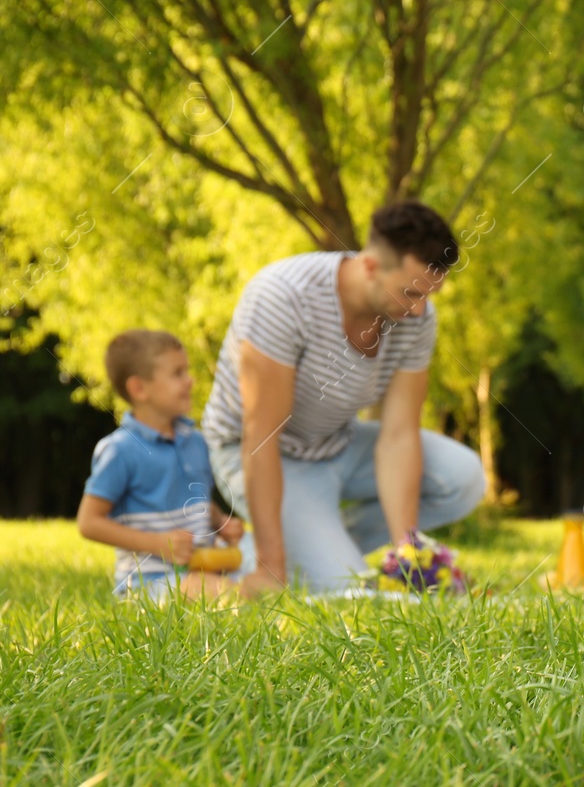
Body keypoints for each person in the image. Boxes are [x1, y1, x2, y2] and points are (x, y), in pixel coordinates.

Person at [201, 201, 485, 595]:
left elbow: (400, 435)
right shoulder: (283, 298)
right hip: (264, 453)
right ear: (369, 266)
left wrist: (409, 555)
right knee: (349, 593)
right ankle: (267, 552)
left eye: (429, 294)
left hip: (337, 441)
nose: (420, 309)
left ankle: (318, 542)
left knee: (464, 478)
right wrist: (271, 569)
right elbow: (259, 436)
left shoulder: (417, 316)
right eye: (411, 292)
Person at [77, 330, 247, 601]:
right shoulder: (120, 450)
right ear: (139, 389)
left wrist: (220, 523)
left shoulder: (195, 441)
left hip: (204, 568)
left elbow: (199, 501)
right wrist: (157, 544)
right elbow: (89, 523)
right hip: (149, 583)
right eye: (177, 373)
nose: (190, 381)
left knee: (261, 562)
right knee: (228, 594)